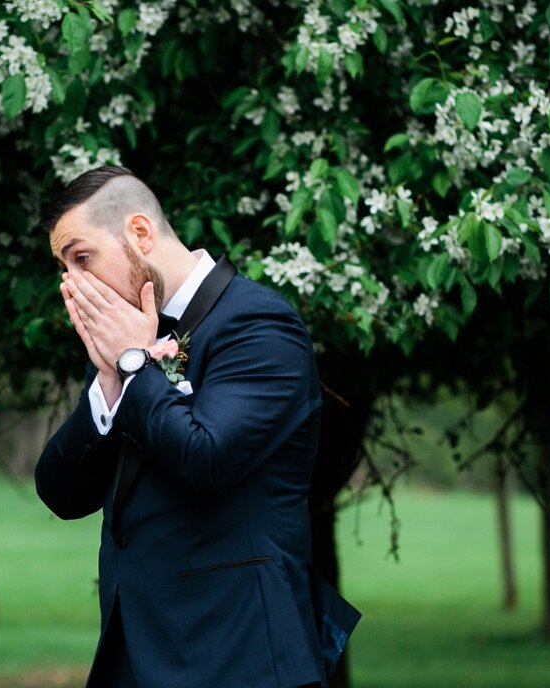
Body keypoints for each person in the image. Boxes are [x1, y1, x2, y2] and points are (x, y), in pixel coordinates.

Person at [35, 167, 360, 687]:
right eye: (64, 267)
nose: (72, 284)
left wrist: (136, 367)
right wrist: (110, 383)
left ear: (140, 233)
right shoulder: (130, 343)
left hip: (236, 654)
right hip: (139, 657)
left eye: (82, 258)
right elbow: (60, 492)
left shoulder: (258, 324)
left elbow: (205, 458)